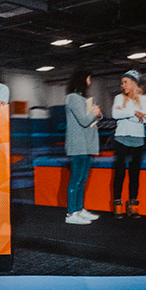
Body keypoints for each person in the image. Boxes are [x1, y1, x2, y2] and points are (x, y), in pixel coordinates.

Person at [111, 70, 146, 218]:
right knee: (120, 172)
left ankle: (133, 205)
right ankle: (117, 205)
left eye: (125, 82)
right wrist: (135, 113)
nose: (123, 85)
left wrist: (126, 113)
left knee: (134, 173)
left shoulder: (144, 99)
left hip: (138, 138)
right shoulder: (118, 98)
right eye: (122, 83)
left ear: (134, 83)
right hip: (121, 137)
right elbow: (115, 115)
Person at [64, 70, 102, 225]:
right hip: (78, 145)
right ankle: (71, 213)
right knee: (76, 180)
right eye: (88, 78)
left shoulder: (82, 98)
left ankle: (79, 209)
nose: (90, 81)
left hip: (87, 145)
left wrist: (96, 113)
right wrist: (95, 113)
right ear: (82, 79)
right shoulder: (72, 98)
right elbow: (84, 120)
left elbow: (91, 120)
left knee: (82, 180)